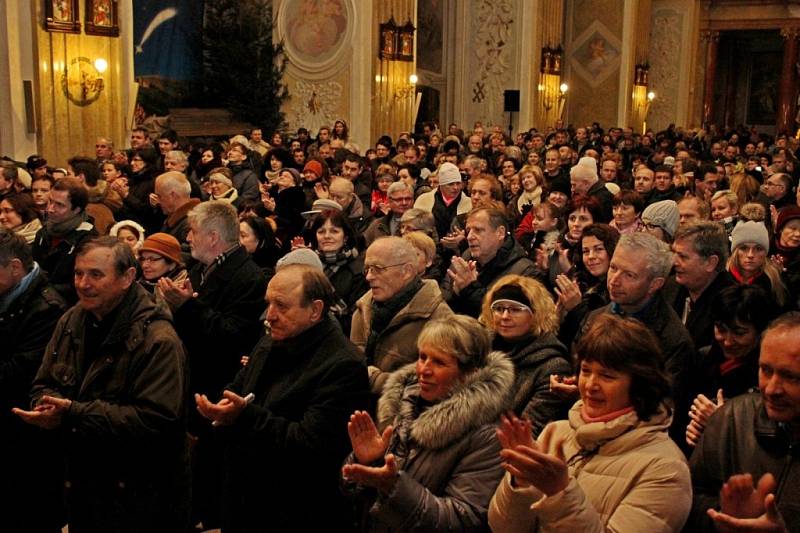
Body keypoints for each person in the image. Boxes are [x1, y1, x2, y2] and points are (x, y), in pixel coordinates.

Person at [14, 237, 190, 532]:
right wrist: (46, 405)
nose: (83, 283)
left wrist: (73, 412)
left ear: (127, 278)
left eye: (96, 274)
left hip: (140, 491)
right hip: (84, 480)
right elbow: (45, 381)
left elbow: (156, 420)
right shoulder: (72, 319)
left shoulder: (158, 339)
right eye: (78, 274)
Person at [195, 264, 370, 531]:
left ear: (315, 310)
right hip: (244, 500)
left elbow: (310, 446)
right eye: (268, 304)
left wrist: (244, 415)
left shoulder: (343, 364)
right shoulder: (271, 341)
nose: (269, 315)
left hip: (295, 512)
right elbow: (240, 387)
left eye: (281, 306)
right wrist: (222, 405)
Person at [488, 313, 692, 532]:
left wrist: (560, 492)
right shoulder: (556, 432)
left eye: (607, 376)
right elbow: (503, 527)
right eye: (585, 371)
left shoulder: (666, 469)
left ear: (640, 384)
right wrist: (521, 482)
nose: (590, 385)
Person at [342, 315, 514, 531]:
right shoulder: (404, 405)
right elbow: (352, 493)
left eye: (439, 362)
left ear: (469, 373)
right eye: (422, 357)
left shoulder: (487, 436)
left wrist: (395, 487)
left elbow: (462, 519)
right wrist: (368, 461)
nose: (423, 370)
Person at [159, 200, 267, 528]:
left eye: (192, 232)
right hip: (193, 381)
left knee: (211, 471)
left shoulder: (248, 277)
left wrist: (187, 307)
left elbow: (233, 335)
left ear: (213, 237)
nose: (187, 239)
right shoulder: (200, 268)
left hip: (220, 385)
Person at [688, 312, 800, 531]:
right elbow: (688, 497)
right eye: (766, 370)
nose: (771, 388)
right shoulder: (733, 418)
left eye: (791, 377)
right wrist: (725, 516)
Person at [0, 230, 66, 532]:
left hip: (27, 430)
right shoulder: (9, 295)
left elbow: (22, 371)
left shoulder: (47, 308)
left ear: (15, 267)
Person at [351, 236, 453, 395]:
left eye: (377, 268)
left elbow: (439, 386)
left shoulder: (439, 319)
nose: (369, 277)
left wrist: (375, 380)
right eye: (367, 269)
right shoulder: (362, 310)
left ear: (407, 271)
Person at [480, 274, 572, 436]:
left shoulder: (552, 366)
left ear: (535, 314)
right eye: (499, 309)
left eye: (515, 310)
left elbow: (529, 431)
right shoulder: (481, 349)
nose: (505, 316)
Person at [684, 284, 773, 448]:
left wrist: (721, 421)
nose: (728, 341)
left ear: (760, 331)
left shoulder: (770, 375)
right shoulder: (703, 359)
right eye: (721, 329)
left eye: (739, 333)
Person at [445, 207, 540, 317]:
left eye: (478, 230)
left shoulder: (525, 271)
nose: (470, 237)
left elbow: (506, 319)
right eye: (468, 231)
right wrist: (456, 294)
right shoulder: (466, 257)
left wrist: (469, 289)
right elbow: (445, 302)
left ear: (500, 233)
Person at [663, 220, 734, 350]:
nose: (674, 262)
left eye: (683, 257)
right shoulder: (669, 286)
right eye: (673, 253)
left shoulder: (732, 303)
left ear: (710, 263)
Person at [32, 177, 97, 303]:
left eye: (59, 205)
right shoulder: (43, 232)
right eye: (50, 201)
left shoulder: (88, 240)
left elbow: (77, 286)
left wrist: (41, 292)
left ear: (77, 210)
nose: (50, 209)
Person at [307, 210, 368, 330]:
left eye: (334, 231)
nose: (327, 236)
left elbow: (356, 317)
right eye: (321, 231)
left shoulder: (359, 271)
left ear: (345, 237)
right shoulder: (308, 265)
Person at [728, 221, 791, 311]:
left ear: (765, 253)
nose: (750, 255)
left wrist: (783, 277)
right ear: (735, 251)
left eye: (758, 249)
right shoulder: (722, 279)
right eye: (743, 248)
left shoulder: (774, 282)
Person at [414, 162, 473, 240]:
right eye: (450, 184)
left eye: (458, 183)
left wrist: (462, 239)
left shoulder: (470, 203)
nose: (455, 188)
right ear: (441, 185)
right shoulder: (423, 200)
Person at [137, 232, 188, 305]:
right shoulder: (138, 285)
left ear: (172, 264)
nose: (144, 265)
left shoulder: (182, 292)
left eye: (152, 259)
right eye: (143, 258)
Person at [364, 181, 415, 246]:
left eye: (408, 199)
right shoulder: (378, 225)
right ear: (389, 201)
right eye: (399, 199)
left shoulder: (421, 223)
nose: (404, 203)